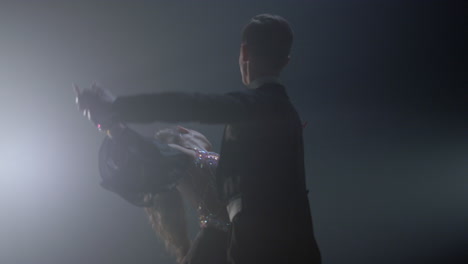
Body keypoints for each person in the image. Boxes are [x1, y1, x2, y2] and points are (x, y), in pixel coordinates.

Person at [75, 13, 321, 264]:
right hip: (284, 246)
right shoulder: (287, 115)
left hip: (255, 246)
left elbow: (191, 105)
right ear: (286, 61)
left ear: (244, 53)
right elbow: (156, 154)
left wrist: (115, 109)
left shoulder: (253, 106)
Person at [95, 121, 230, 264]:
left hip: (228, 235)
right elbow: (152, 153)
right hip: (223, 240)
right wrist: (115, 129)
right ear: (182, 130)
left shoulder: (192, 159)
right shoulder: (180, 156)